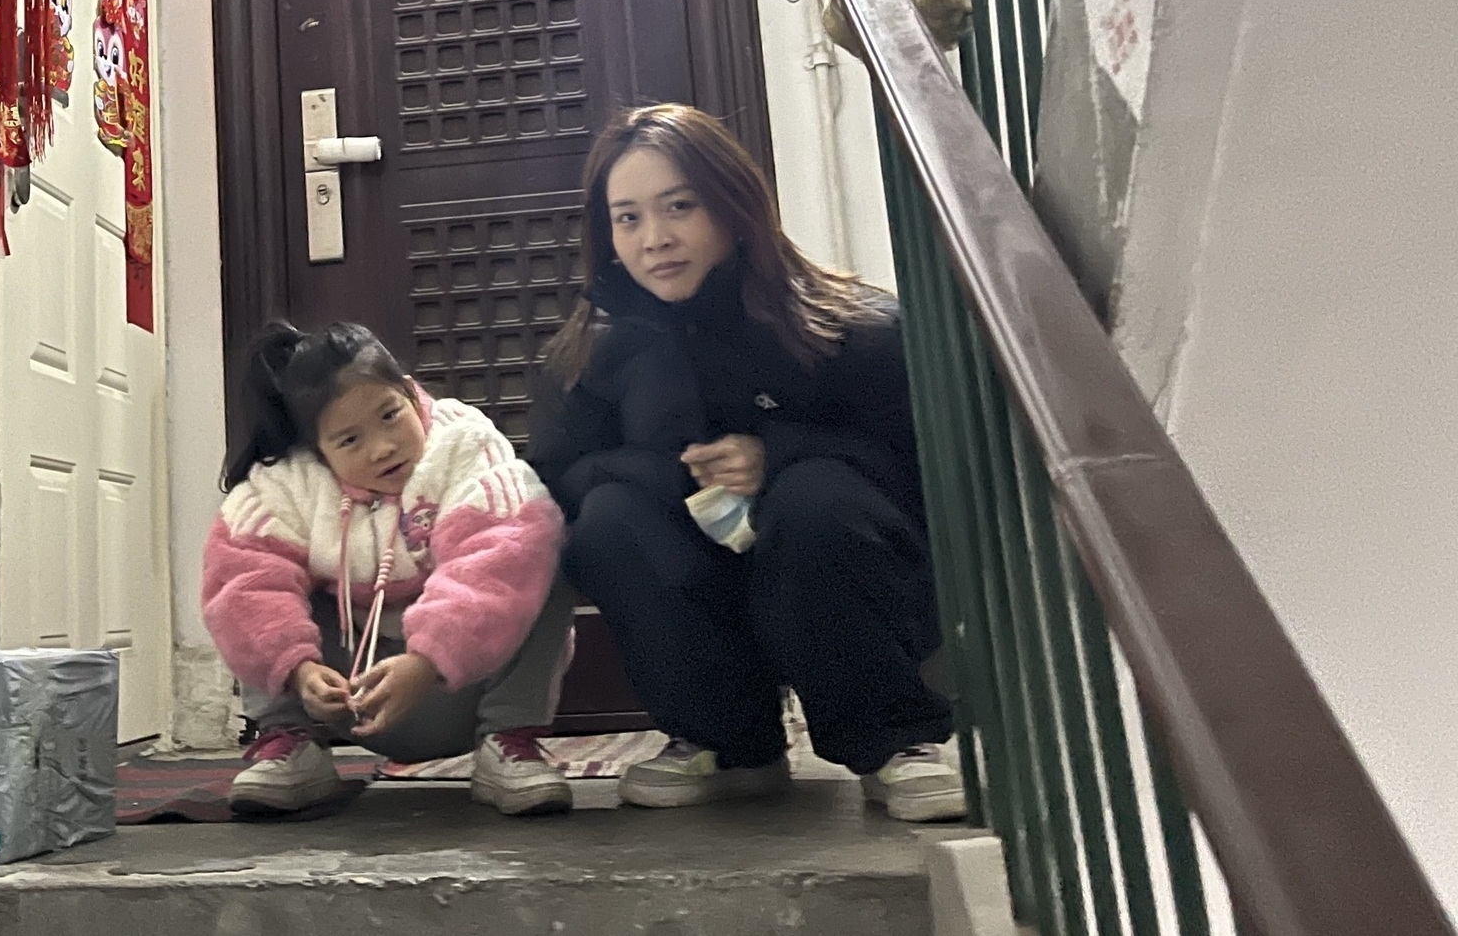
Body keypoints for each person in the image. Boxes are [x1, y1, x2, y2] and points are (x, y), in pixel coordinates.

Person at [529, 103, 964, 821]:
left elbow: (926, 470)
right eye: (628, 218)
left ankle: (894, 741)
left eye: (679, 207)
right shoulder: (587, 356)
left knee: (813, 496)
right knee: (607, 518)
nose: (655, 239)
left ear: (734, 206)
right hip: (697, 581)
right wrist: (665, 476)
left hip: (837, 573)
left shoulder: (849, 328)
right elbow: (556, 482)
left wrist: (780, 455)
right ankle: (727, 743)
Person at [202, 320, 575, 817]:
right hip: (344, 696)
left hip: (460, 687)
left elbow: (500, 556)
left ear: (408, 391)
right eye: (350, 440)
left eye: (390, 415)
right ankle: (290, 742)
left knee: (537, 539)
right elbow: (242, 582)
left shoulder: (465, 449)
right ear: (317, 450)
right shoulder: (286, 484)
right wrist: (298, 671)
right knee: (249, 575)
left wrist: (427, 661)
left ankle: (510, 741)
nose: (382, 447)